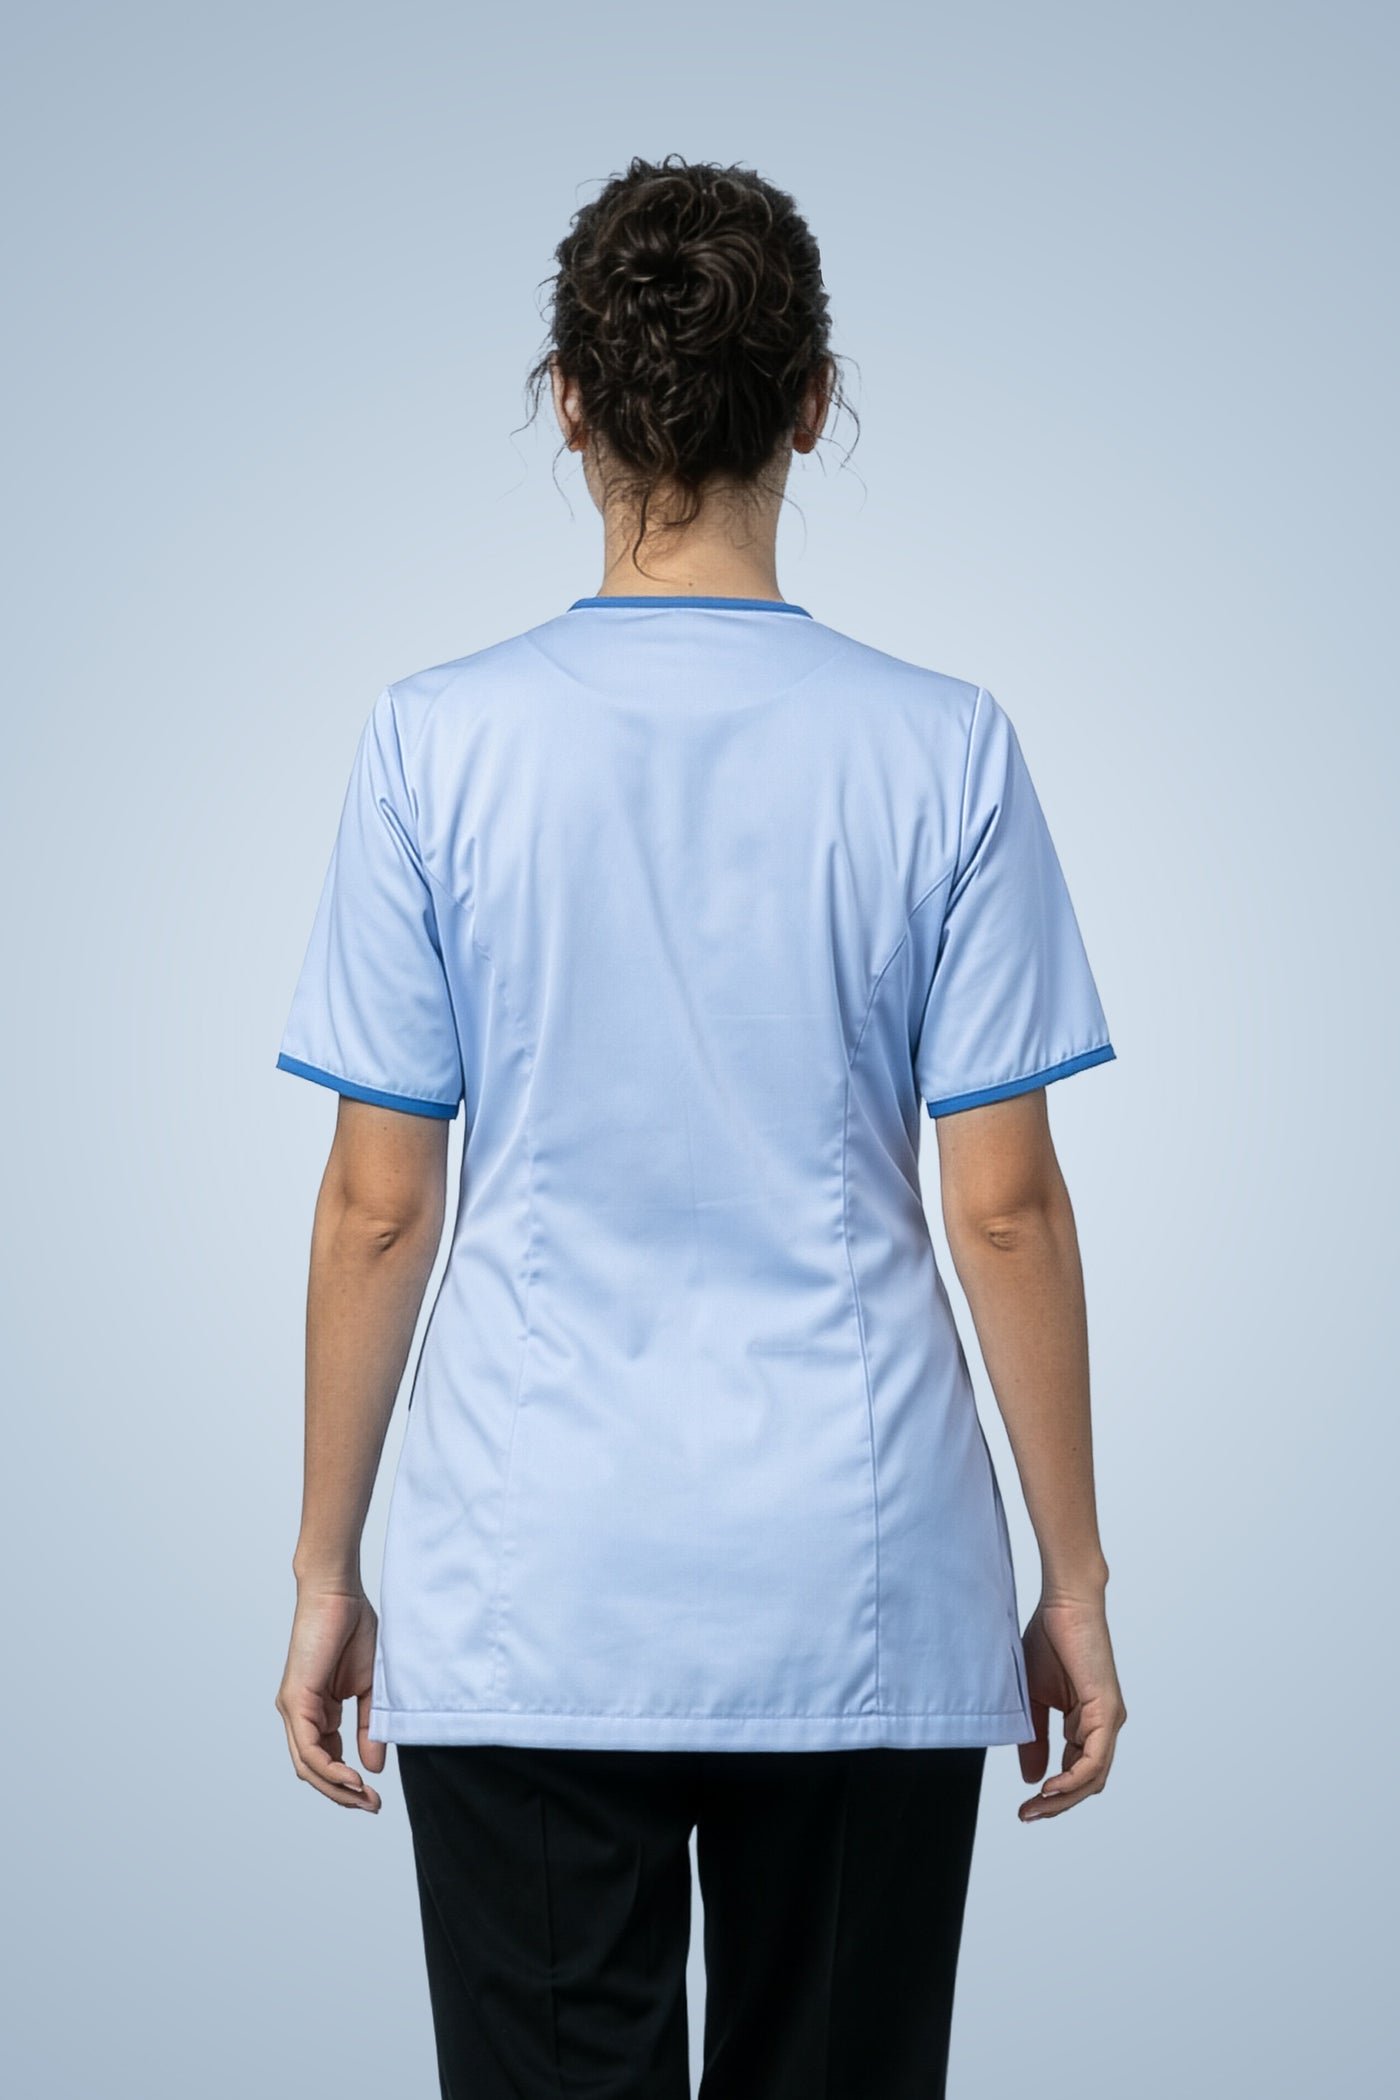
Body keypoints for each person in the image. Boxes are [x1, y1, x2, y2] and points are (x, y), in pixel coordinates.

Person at [273, 152, 1127, 2100]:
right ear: (811, 404)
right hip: (860, 1577)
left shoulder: (433, 743)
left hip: (531, 1577)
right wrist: (1071, 1583)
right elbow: (1004, 1209)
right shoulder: (943, 748)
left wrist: (327, 1570)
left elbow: (377, 1207)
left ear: (569, 402)